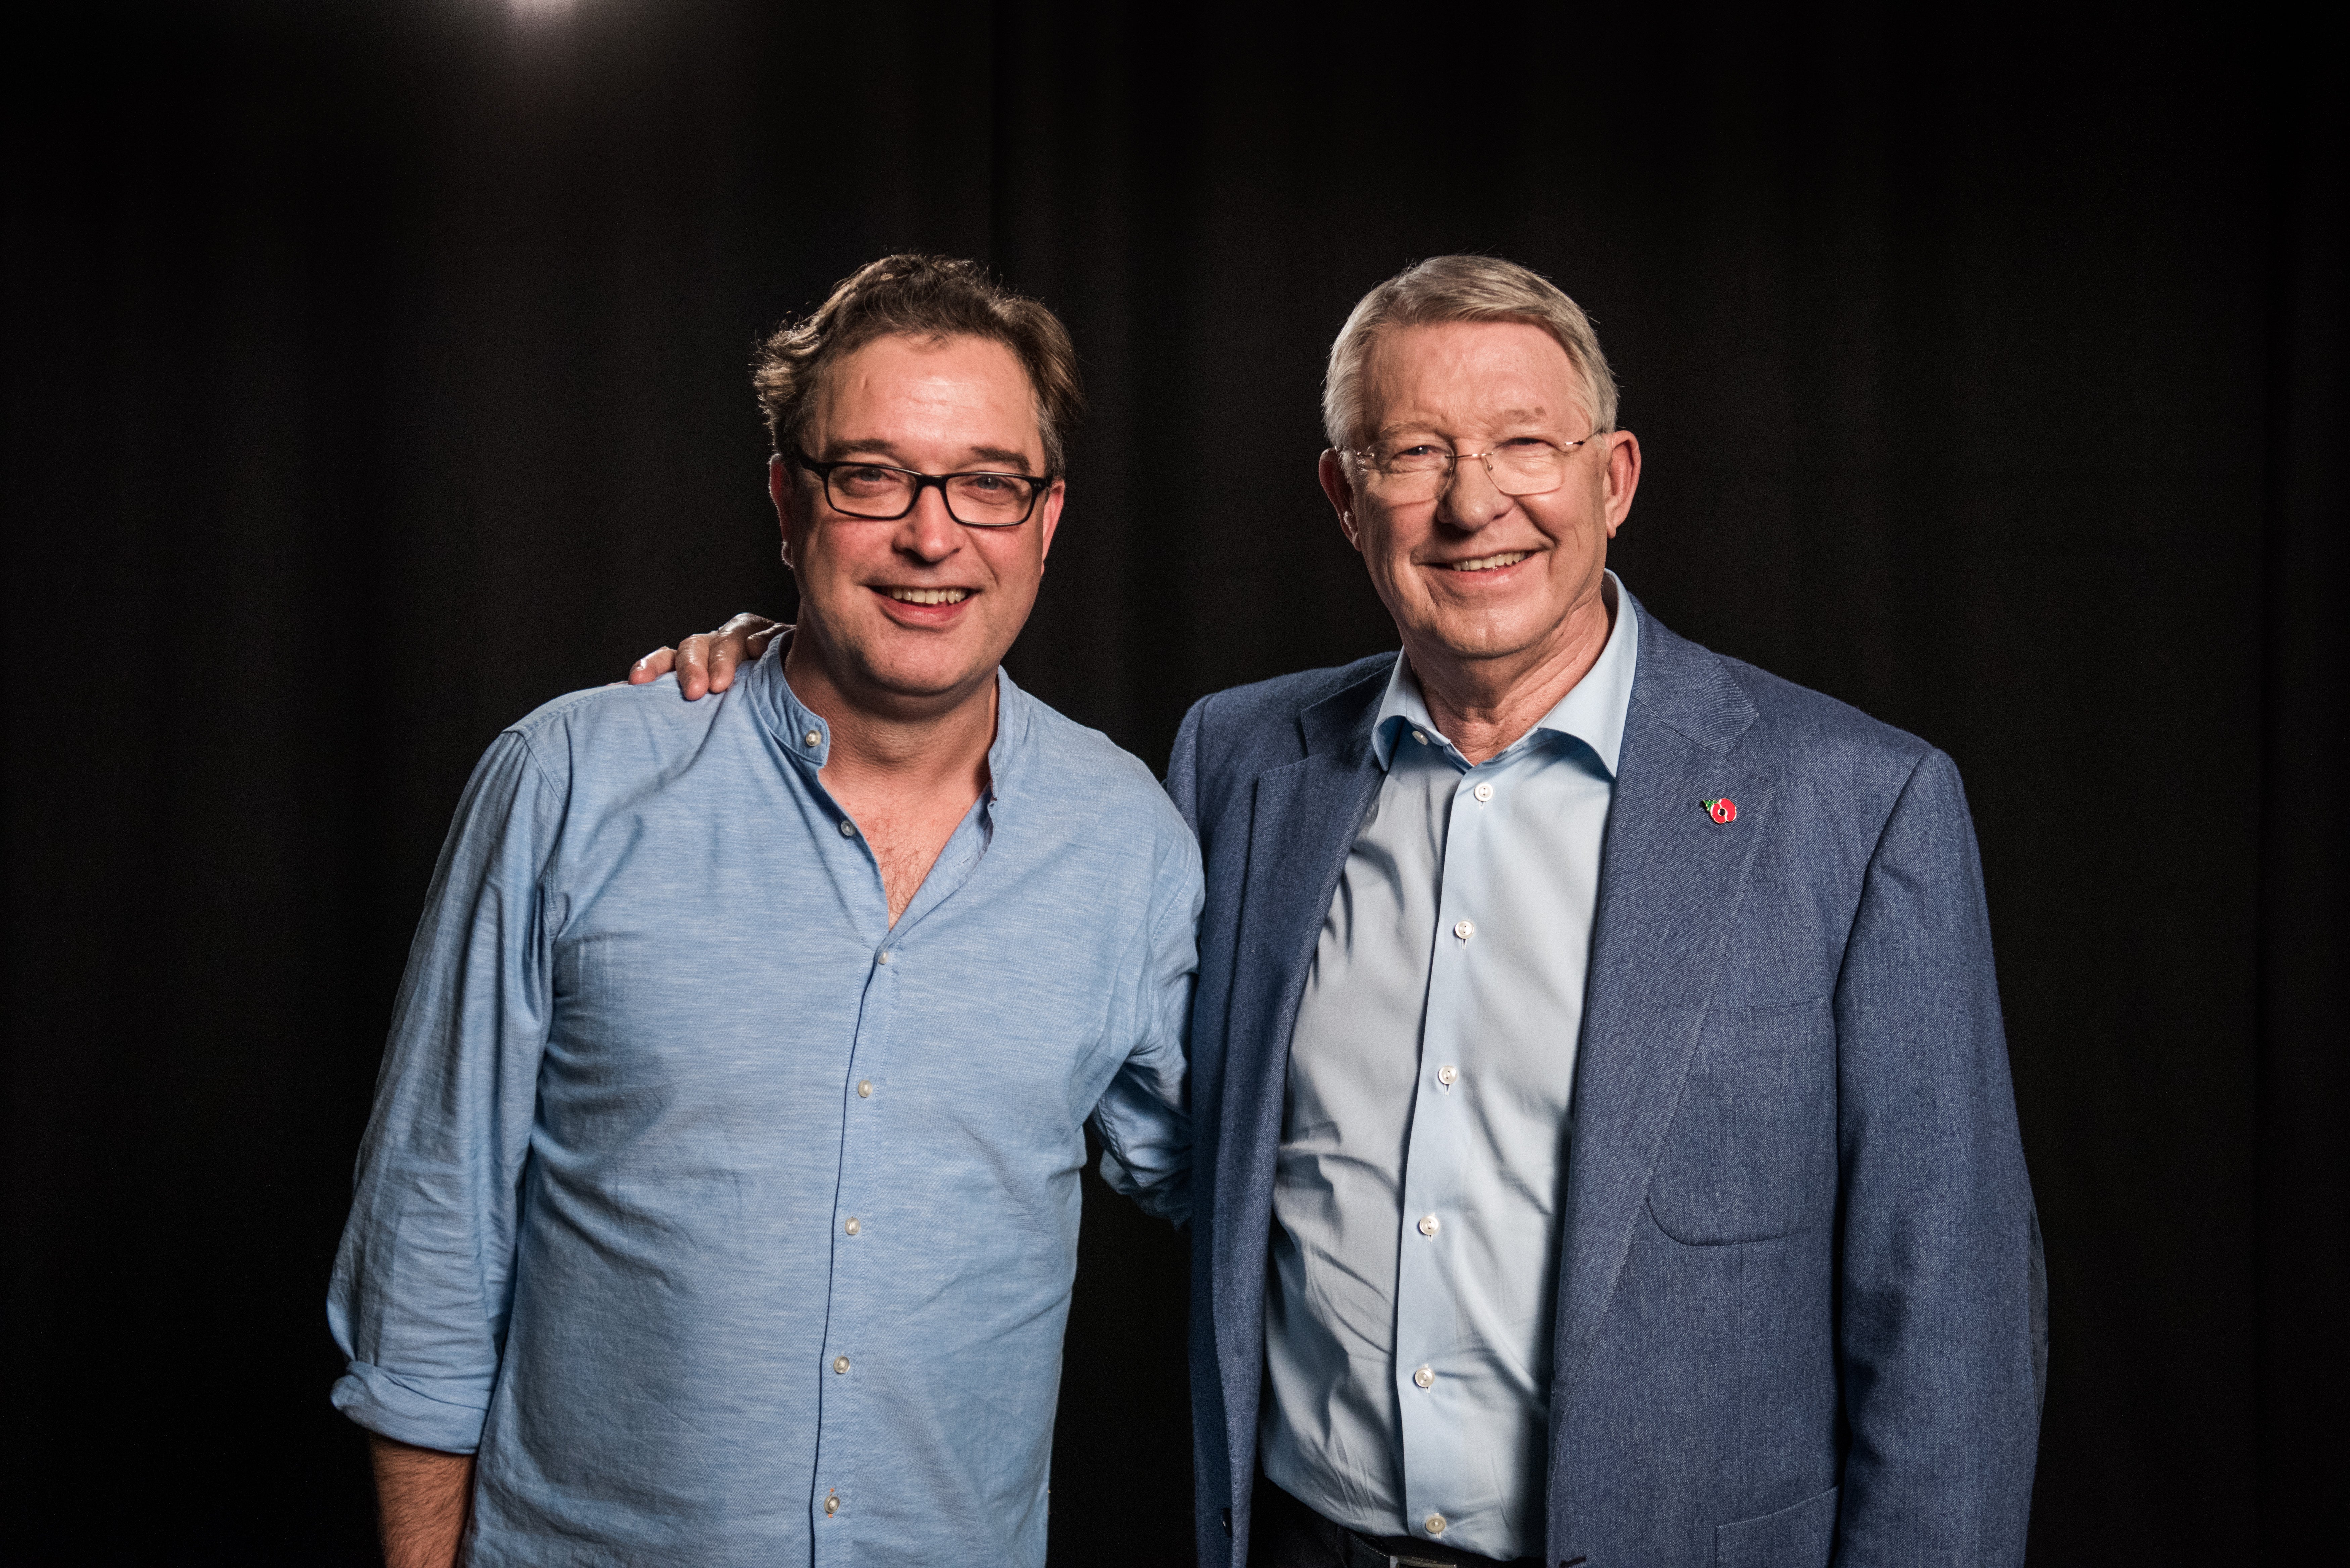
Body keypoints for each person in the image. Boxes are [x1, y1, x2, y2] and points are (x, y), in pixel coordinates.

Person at [652, 255, 2046, 1568]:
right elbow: (1068, 1006)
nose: (1470, 502)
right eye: (1411, 452)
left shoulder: (1854, 807)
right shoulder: (1240, 766)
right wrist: (805, 659)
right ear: (1342, 492)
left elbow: (1953, 1323)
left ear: (1613, 479)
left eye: (1522, 444)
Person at [329, 254, 1202, 1568]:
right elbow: (430, 1235)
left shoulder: (1126, 837)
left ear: (1046, 518)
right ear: (789, 499)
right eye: (870, 476)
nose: (931, 533)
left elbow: (1240, 1175)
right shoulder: (572, 780)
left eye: (986, 482)